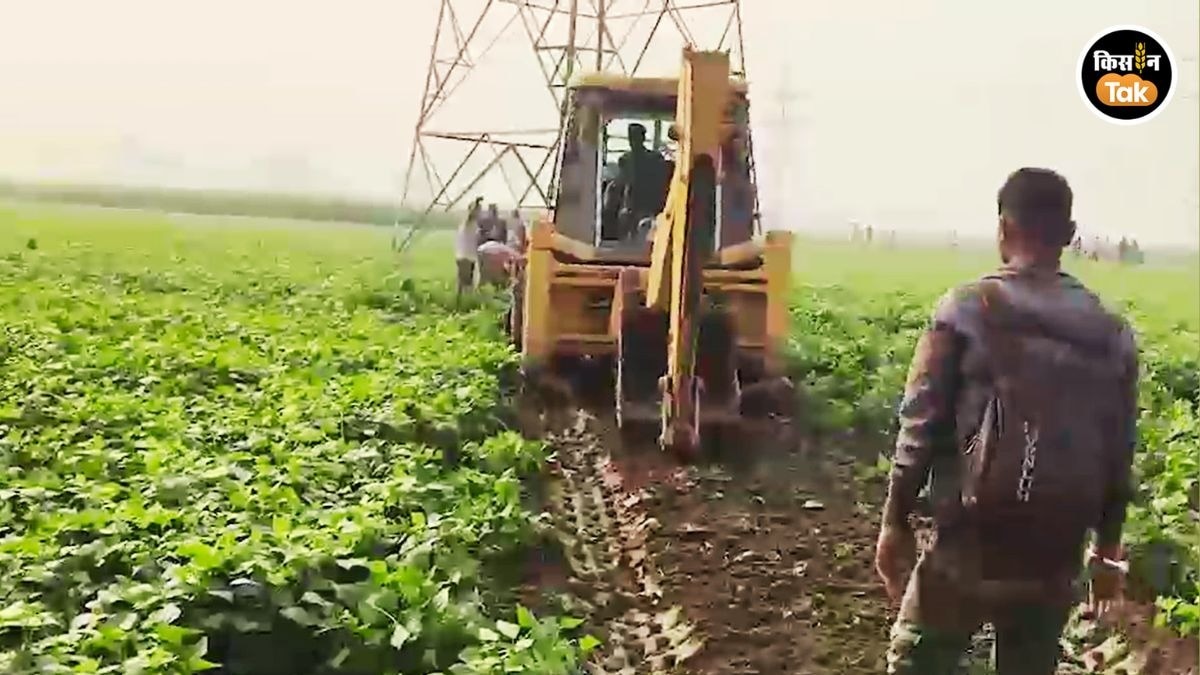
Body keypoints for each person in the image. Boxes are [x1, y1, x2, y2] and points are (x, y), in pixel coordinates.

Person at [874, 167, 1138, 675]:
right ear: (1069, 234)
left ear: (1003, 228)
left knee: (918, 660)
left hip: (968, 543)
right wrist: (1106, 552)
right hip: (1056, 547)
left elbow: (919, 427)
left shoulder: (968, 309)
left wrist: (894, 521)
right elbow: (1118, 451)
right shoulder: (1112, 333)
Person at [455, 199, 483, 303]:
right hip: (466, 256)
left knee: (463, 283)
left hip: (465, 256)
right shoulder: (469, 223)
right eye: (479, 211)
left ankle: (461, 304)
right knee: (465, 284)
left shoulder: (469, 223)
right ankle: (463, 305)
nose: (480, 213)